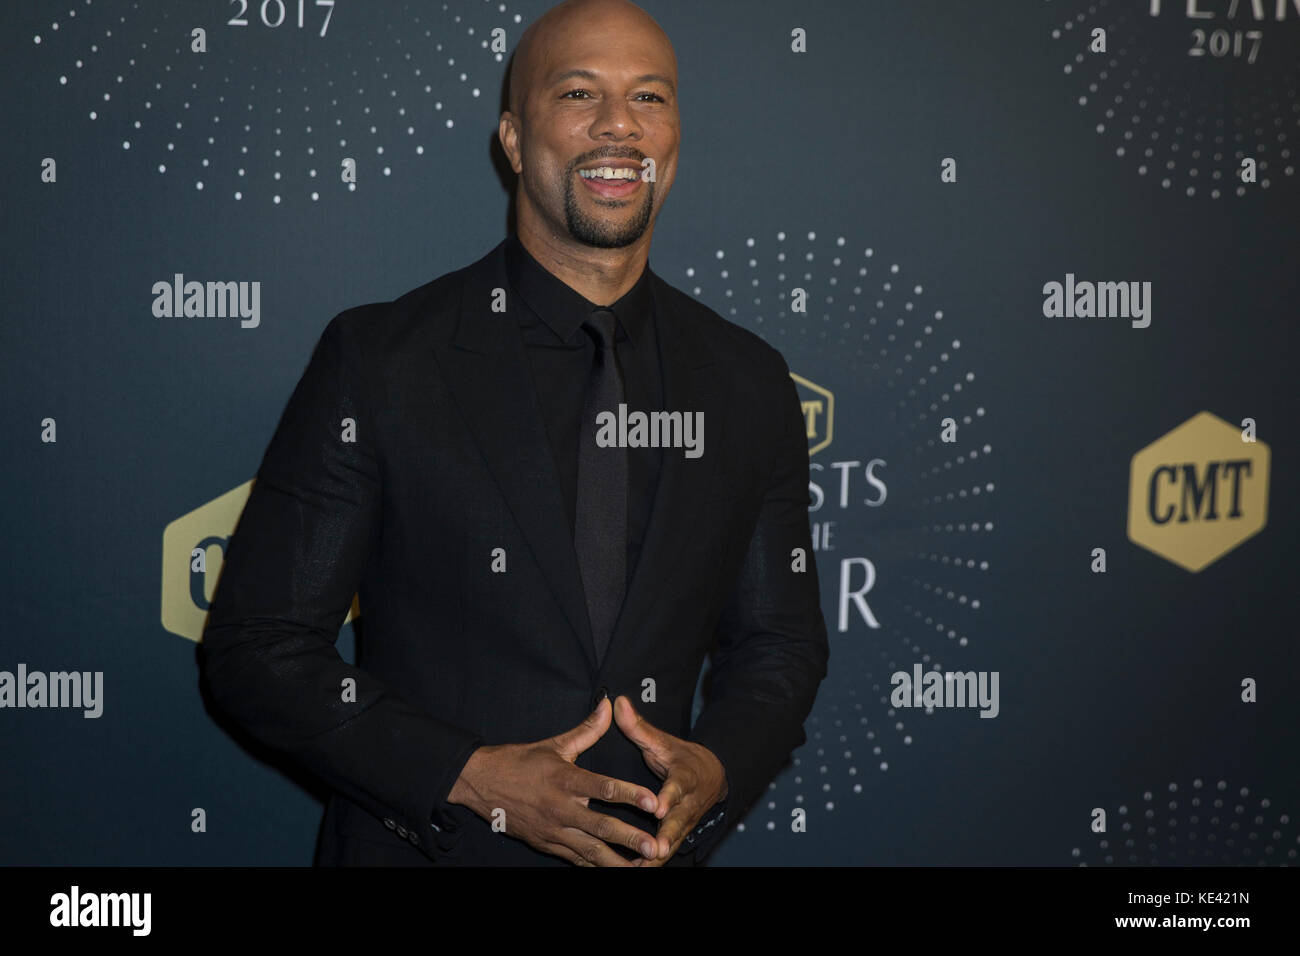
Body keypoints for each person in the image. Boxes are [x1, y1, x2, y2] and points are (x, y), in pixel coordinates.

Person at [200, 0, 828, 867]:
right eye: (579, 94)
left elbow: (782, 645)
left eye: (650, 97)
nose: (619, 125)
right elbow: (258, 645)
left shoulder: (749, 379)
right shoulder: (382, 360)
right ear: (512, 136)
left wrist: (716, 766)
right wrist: (468, 776)